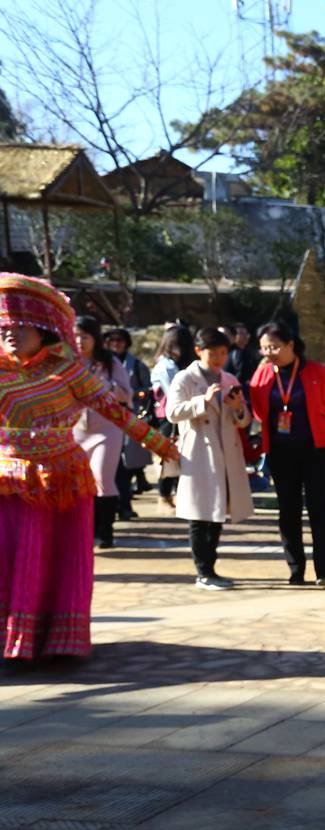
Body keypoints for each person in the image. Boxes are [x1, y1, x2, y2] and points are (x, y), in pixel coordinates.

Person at [0, 274, 175, 661]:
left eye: (20, 326)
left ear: (42, 328)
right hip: (7, 480)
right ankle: (11, 639)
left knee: (49, 558)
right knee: (7, 557)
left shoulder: (68, 369)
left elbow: (117, 411)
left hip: (59, 478)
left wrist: (165, 447)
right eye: (4, 327)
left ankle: (54, 642)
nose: (10, 333)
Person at [249, 321, 325, 587]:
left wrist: (320, 425)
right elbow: (259, 411)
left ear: (291, 345)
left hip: (317, 451)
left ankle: (323, 571)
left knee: (318, 510)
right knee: (288, 511)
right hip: (280, 453)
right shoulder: (263, 374)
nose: (269, 353)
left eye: (275, 346)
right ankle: (295, 570)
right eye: (264, 348)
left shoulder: (316, 372)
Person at [167, 327, 252, 589]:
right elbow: (172, 413)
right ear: (199, 351)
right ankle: (203, 571)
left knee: (217, 511)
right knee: (199, 513)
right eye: (212, 353)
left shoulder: (229, 379)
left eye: (223, 353)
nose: (218, 358)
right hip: (198, 452)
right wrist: (201, 402)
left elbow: (244, 420)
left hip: (225, 452)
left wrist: (238, 409)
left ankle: (210, 569)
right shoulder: (184, 378)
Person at [70, 316, 132, 549]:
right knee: (78, 482)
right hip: (75, 430)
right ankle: (82, 529)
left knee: (103, 478)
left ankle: (104, 532)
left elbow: (127, 394)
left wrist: (104, 385)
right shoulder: (66, 362)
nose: (79, 341)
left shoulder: (109, 362)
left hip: (106, 428)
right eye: (75, 335)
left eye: (84, 336)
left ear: (95, 338)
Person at [104, 327, 154, 517]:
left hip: (130, 416)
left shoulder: (136, 364)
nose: (115, 343)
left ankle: (125, 505)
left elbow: (147, 388)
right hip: (104, 420)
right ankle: (118, 506)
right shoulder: (101, 363)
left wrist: (132, 394)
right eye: (111, 340)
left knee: (126, 465)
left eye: (119, 340)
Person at [149, 325, 195, 509]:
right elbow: (175, 392)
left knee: (179, 456)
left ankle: (177, 493)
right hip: (168, 417)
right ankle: (164, 493)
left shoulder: (180, 364)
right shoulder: (165, 366)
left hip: (181, 414)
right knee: (167, 455)